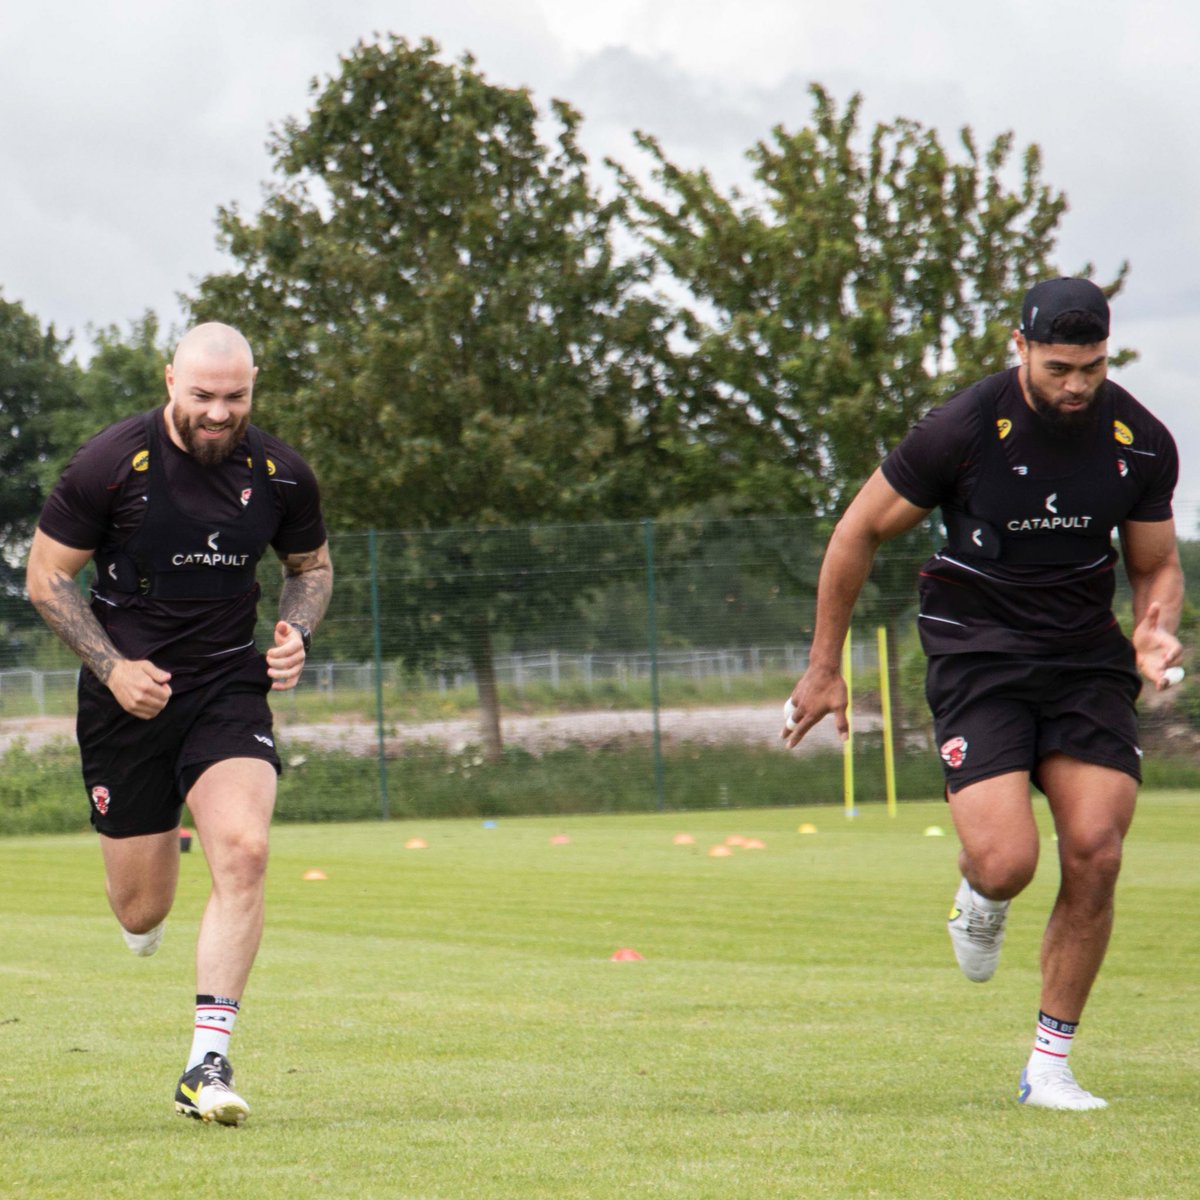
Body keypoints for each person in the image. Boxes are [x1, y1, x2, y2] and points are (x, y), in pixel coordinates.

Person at [781, 278, 1183, 1111]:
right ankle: (980, 895)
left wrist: (1154, 624)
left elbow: (1154, 564)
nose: (1078, 384)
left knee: (1097, 851)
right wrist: (824, 666)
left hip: (1082, 662)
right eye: (1060, 366)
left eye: (1094, 366)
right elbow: (856, 530)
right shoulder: (962, 429)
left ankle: (1049, 1067)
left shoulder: (1139, 440)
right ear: (1020, 346)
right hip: (980, 655)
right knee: (1007, 863)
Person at [26, 322, 333, 1126]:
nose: (218, 413)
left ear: (254, 386)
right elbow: (47, 578)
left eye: (235, 397)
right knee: (141, 909)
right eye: (202, 396)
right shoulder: (109, 465)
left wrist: (299, 632)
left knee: (246, 849)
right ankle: (147, 908)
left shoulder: (280, 475)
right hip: (127, 699)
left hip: (228, 686)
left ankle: (206, 1064)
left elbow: (313, 568)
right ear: (170, 381)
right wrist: (113, 669)